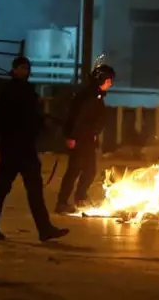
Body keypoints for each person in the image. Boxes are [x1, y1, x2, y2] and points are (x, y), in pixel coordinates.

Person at [0, 57, 69, 241]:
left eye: (26, 68)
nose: (24, 71)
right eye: (21, 68)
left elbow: (32, 116)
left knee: (34, 190)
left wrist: (44, 123)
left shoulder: (27, 90)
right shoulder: (9, 91)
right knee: (2, 187)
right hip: (12, 149)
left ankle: (44, 229)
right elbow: (9, 119)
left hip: (24, 148)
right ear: (14, 69)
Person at [55, 63, 115, 214]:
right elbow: (77, 118)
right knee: (74, 170)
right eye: (108, 80)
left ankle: (80, 198)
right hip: (80, 139)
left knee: (89, 170)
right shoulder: (88, 96)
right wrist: (71, 136)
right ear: (101, 79)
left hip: (87, 139)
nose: (110, 84)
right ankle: (62, 202)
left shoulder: (95, 95)